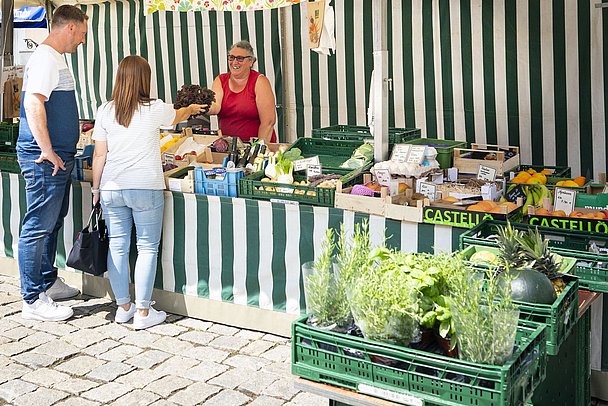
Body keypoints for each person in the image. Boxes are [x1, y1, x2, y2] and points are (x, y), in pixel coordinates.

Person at [91, 56, 205, 330]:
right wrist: (190, 108)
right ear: (145, 79)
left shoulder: (106, 110)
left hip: (112, 187)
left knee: (118, 246)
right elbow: (177, 115)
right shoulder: (155, 108)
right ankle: (143, 311)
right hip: (145, 186)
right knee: (146, 248)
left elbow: (99, 154)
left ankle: (122, 307)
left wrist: (96, 189)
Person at [17, 5, 89, 322]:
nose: (83, 41)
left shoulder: (54, 58)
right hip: (45, 158)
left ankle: (47, 282)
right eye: (83, 34)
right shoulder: (46, 58)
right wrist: (47, 149)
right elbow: (34, 103)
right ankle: (32, 297)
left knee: (52, 222)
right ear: (70, 28)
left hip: (57, 156)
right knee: (38, 226)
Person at [207, 40, 277, 143]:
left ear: (251, 61)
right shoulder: (220, 80)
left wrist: (258, 149)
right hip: (229, 146)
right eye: (231, 57)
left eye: (240, 58)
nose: (234, 62)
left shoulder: (260, 81)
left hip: (255, 147)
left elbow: (268, 122)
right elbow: (215, 107)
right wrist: (198, 107)